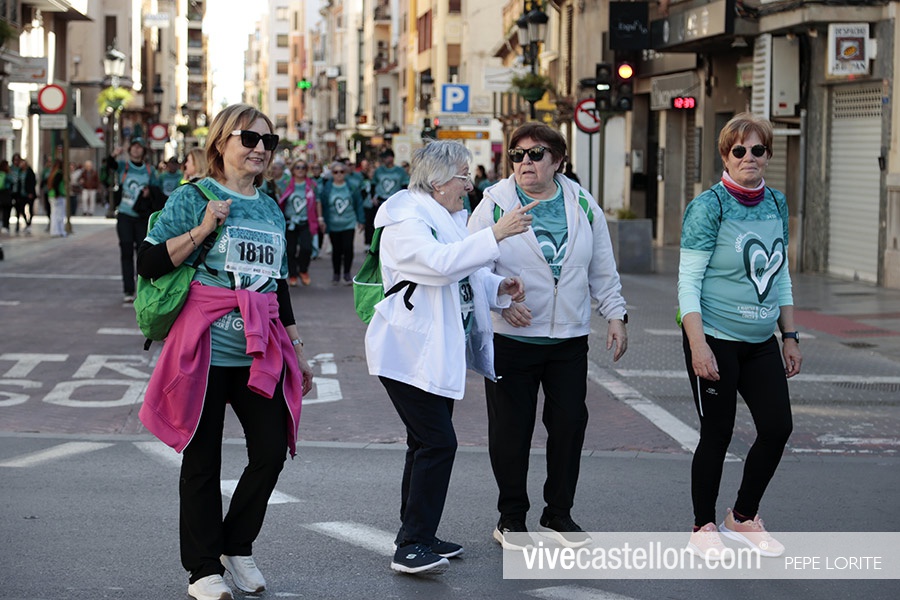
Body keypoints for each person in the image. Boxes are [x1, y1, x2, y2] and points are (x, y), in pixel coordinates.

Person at [136, 103, 314, 600]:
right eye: (248, 138)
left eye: (268, 141)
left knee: (271, 451)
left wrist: (298, 348)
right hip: (206, 349)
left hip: (260, 349)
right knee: (203, 461)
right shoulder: (193, 196)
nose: (260, 149)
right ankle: (202, 569)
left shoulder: (271, 208)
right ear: (220, 142)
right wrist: (203, 229)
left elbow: (277, 285)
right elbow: (148, 261)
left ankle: (236, 545)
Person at [365, 140, 537, 575]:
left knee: (423, 443)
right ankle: (412, 545)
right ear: (439, 181)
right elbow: (439, 265)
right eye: (465, 176)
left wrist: (498, 288)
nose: (470, 185)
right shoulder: (404, 219)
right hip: (408, 352)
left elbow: (466, 272)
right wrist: (495, 234)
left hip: (437, 351)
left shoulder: (448, 215)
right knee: (438, 443)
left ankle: (417, 533)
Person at [468, 122, 628, 550]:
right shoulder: (494, 205)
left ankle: (558, 514)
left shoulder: (582, 204)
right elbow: (470, 266)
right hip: (512, 340)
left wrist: (615, 314)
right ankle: (511, 519)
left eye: (536, 154)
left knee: (570, 425)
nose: (525, 162)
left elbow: (602, 267)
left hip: (568, 340)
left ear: (557, 160)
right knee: (511, 432)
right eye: (517, 155)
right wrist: (501, 302)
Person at [678, 112, 800, 560]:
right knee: (718, 432)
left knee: (777, 427)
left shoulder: (776, 203)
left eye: (758, 150)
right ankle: (702, 526)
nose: (749, 157)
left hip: (760, 340)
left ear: (768, 155)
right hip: (715, 336)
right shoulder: (709, 206)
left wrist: (790, 335)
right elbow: (688, 282)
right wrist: (698, 345)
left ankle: (743, 516)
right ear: (726, 156)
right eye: (739, 150)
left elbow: (780, 273)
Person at [113, 138, 160, 302]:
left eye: (139, 147)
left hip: (142, 217)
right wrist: (114, 155)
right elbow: (107, 168)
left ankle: (142, 289)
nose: (136, 150)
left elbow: (157, 190)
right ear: (129, 149)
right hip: (125, 215)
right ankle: (128, 290)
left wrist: (149, 192)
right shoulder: (123, 166)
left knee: (142, 253)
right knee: (126, 251)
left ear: (143, 151)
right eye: (134, 147)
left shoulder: (149, 170)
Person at [317, 160, 364, 285]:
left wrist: (361, 220)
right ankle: (336, 273)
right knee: (336, 250)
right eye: (335, 172)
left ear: (345, 173)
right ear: (332, 173)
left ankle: (347, 273)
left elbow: (358, 203)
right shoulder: (327, 188)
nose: (339, 174)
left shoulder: (351, 187)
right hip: (333, 224)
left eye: (341, 172)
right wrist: (322, 220)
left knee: (348, 248)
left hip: (349, 222)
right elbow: (322, 204)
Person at [278, 159, 320, 286]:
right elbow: (280, 199)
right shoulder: (286, 184)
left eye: (303, 167)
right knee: (290, 250)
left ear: (306, 170)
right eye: (297, 167)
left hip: (306, 221)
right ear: (292, 170)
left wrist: (320, 218)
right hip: (290, 222)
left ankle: (303, 270)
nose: (300, 170)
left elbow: (317, 202)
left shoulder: (312, 185)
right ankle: (293, 274)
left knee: (306, 248)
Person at [46, 159, 67, 237]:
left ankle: (54, 231)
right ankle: (59, 230)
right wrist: (57, 194)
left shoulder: (52, 173)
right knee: (59, 215)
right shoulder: (59, 173)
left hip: (52, 195)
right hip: (57, 196)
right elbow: (56, 184)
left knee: (54, 214)